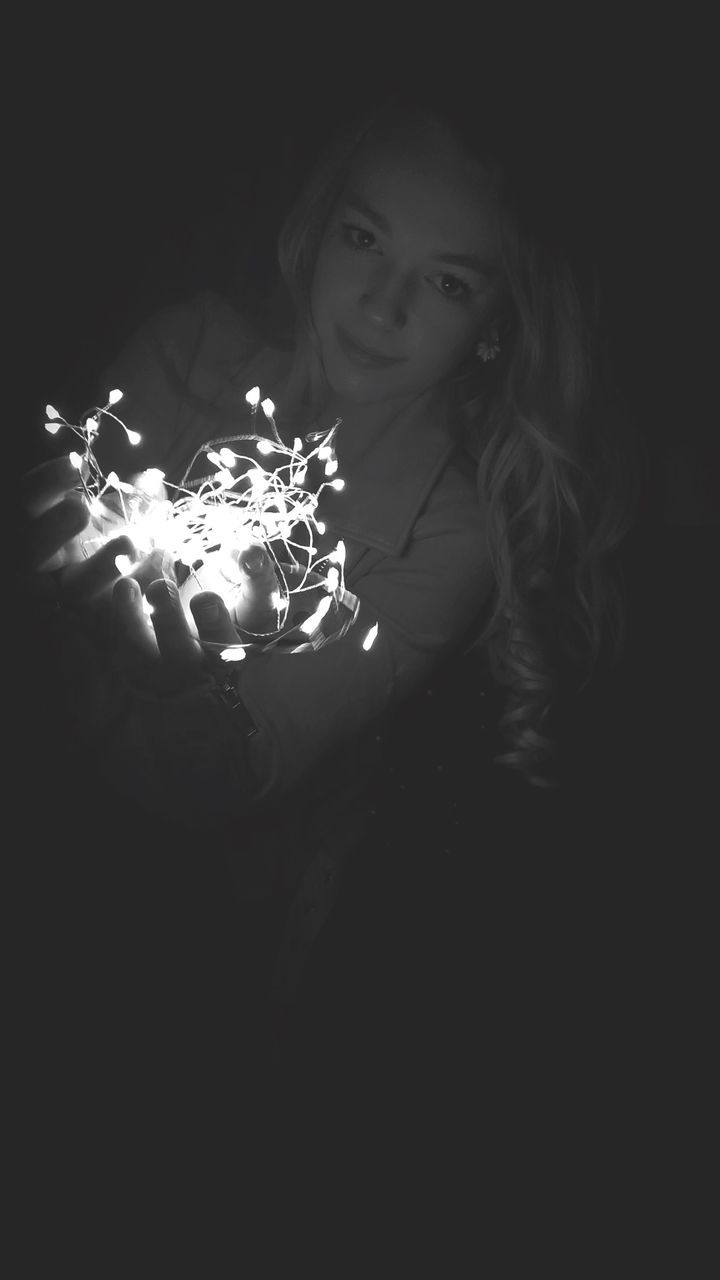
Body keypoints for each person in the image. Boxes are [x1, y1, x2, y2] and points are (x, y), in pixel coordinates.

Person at [20, 91, 644, 1078]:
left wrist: (178, 684)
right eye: (365, 239)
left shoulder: (452, 531)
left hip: (195, 932)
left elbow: (231, 782)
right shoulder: (187, 346)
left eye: (446, 283)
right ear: (316, 231)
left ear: (492, 323)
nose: (383, 307)